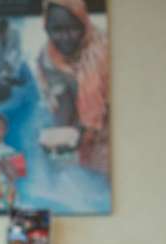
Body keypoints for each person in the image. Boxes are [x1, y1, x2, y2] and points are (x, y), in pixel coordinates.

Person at [37, 0, 109, 174]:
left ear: (84, 24)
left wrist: (87, 132)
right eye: (57, 30)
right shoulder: (49, 57)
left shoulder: (105, 50)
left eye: (73, 28)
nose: (65, 37)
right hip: (83, 124)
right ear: (47, 29)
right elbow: (64, 100)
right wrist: (60, 135)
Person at [0, 18, 22, 83]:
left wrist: (9, 63)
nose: (0, 38)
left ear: (7, 31)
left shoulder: (15, 34)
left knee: (11, 76)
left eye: (3, 35)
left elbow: (16, 52)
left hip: (11, 67)